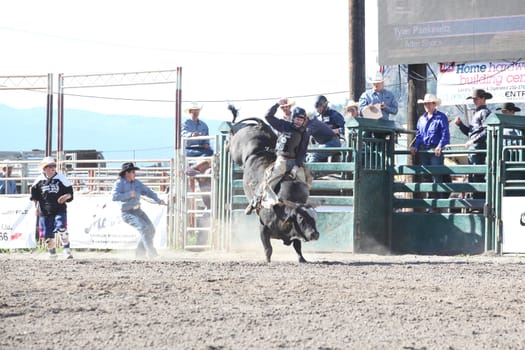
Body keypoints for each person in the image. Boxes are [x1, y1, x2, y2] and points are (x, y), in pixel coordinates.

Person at [245, 103, 310, 215]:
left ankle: (304, 207)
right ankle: (255, 201)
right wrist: (277, 104)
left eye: (301, 120)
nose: (299, 121)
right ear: (293, 118)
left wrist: (297, 165)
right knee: (270, 179)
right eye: (297, 119)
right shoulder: (284, 125)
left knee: (305, 181)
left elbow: (302, 151)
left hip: (295, 161)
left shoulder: (305, 133)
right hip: (282, 159)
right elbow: (268, 116)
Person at [112, 162, 166, 258]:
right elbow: (114, 197)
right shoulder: (119, 183)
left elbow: (148, 192)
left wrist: (158, 200)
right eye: (133, 171)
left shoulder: (137, 183)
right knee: (145, 228)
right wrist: (129, 194)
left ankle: (139, 253)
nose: (134, 173)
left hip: (138, 211)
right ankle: (152, 254)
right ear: (127, 173)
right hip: (127, 213)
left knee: (151, 230)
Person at [30, 156, 74, 259]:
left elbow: (70, 193)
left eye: (53, 166)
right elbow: (34, 196)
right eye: (49, 166)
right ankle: (52, 252)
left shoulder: (61, 178)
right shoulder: (38, 180)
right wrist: (35, 208)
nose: (52, 168)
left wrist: (66, 196)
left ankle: (66, 249)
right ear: (44, 168)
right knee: (47, 234)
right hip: (44, 211)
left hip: (59, 209)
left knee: (62, 227)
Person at [410, 94, 450, 205]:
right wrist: (416, 146)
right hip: (424, 150)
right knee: (426, 175)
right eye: (425, 103)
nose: (426, 105)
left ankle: (437, 203)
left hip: (434, 150)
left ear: (434, 104)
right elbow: (419, 136)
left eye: (429, 103)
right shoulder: (421, 119)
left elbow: (445, 134)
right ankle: (432, 202)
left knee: (436, 175)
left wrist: (439, 146)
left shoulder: (441, 117)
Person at [454, 88, 492, 200]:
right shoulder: (478, 113)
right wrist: (460, 125)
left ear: (483, 99)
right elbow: (470, 133)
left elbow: (486, 131)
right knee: (473, 175)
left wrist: (473, 141)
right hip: (474, 149)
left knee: (477, 175)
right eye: (474, 99)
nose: (474, 101)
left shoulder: (484, 113)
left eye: (477, 99)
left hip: (478, 148)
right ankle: (476, 200)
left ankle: (479, 201)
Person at [308, 95, 345, 162]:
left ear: (325, 105)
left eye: (319, 106)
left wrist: (332, 131)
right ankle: (317, 172)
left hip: (333, 142)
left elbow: (345, 129)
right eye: (316, 107)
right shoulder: (317, 118)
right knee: (308, 156)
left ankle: (312, 171)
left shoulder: (334, 114)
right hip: (321, 144)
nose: (318, 109)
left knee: (314, 156)